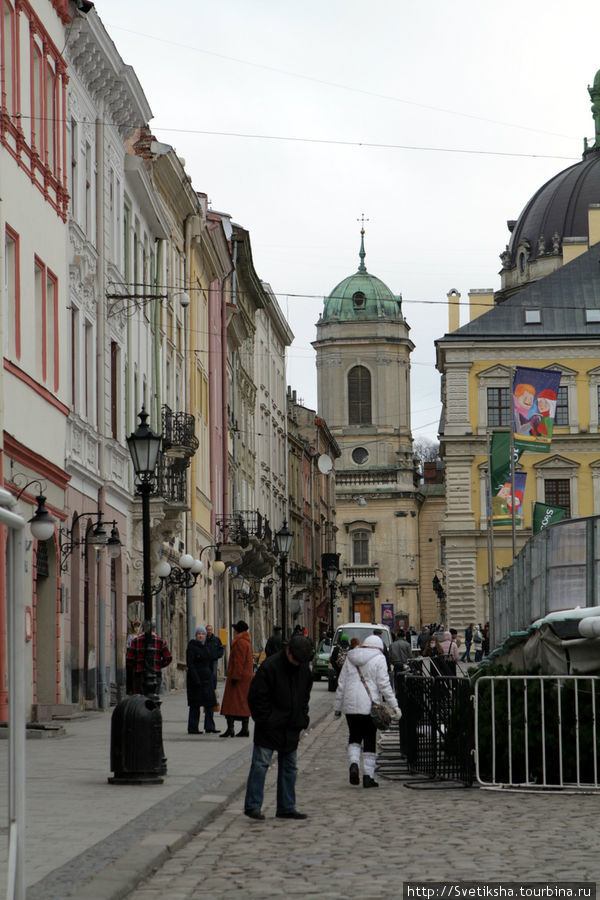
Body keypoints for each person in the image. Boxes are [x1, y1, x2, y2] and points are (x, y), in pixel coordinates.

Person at [243, 634, 314, 821]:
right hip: (270, 726)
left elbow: (305, 696)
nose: (297, 664)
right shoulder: (270, 667)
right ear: (288, 650)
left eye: (301, 661)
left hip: (291, 725)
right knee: (260, 764)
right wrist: (265, 720)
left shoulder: (303, 668)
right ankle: (253, 805)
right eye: (295, 660)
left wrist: (302, 717)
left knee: (290, 767)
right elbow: (256, 698)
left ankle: (286, 806)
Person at [333, 634, 400, 788]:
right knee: (369, 739)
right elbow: (384, 685)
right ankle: (368, 776)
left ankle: (354, 763)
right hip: (369, 706)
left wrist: (337, 708)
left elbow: (341, 684)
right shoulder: (379, 658)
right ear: (379, 647)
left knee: (354, 736)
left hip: (350, 705)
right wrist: (394, 705)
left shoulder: (351, 657)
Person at [220, 620, 254, 737]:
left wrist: (235, 676)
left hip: (238, 677)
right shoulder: (247, 642)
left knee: (232, 704)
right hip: (245, 678)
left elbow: (238, 661)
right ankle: (244, 728)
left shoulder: (240, 643)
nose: (233, 632)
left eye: (235, 630)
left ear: (238, 631)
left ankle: (231, 728)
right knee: (243, 704)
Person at [186, 626, 218, 734]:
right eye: (199, 634)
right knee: (195, 704)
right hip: (196, 680)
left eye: (203, 634)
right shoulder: (191, 647)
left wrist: (213, 679)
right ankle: (193, 728)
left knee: (210, 703)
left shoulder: (206, 647)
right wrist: (195, 678)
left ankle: (210, 726)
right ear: (196, 635)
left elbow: (210, 663)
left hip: (207, 679)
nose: (201, 636)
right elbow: (190, 664)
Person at [126, 622, 172, 695]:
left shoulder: (136, 641)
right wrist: (159, 665)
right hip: (156, 674)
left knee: (141, 699)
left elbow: (129, 658)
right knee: (153, 699)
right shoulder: (160, 641)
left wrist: (136, 666)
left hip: (140, 674)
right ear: (154, 629)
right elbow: (168, 658)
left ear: (143, 629)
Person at [205, 624, 224, 691]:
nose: (209, 631)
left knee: (214, 674)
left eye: (210, 630)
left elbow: (221, 649)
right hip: (206, 660)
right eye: (208, 630)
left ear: (212, 630)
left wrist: (217, 655)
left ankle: (213, 688)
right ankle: (207, 688)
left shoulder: (216, 639)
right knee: (206, 674)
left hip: (214, 660)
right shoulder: (204, 640)